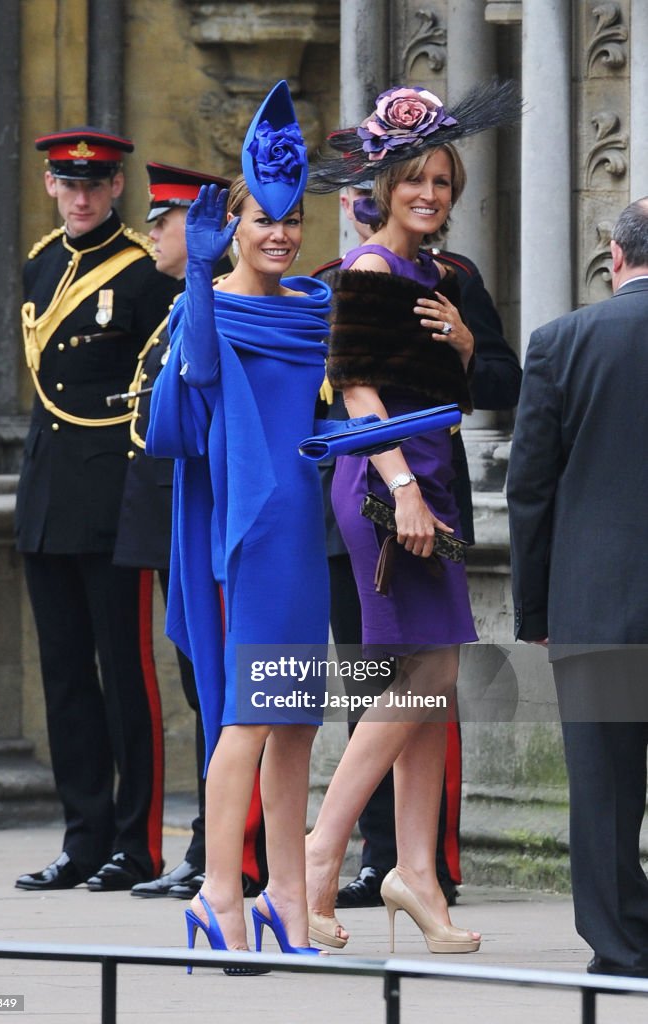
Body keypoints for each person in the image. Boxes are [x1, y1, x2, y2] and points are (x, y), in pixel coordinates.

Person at [304, 81, 520, 952]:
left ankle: (416, 877)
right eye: (412, 181)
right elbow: (356, 386)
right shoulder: (369, 267)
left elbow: (456, 389)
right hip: (384, 481)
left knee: (433, 679)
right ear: (382, 187)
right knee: (413, 679)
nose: (426, 194)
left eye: (440, 181)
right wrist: (400, 490)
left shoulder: (438, 276)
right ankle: (321, 854)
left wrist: (467, 349)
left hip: (426, 473)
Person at [146, 81, 331, 969]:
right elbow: (198, 398)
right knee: (248, 721)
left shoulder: (314, 309)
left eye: (292, 219)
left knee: (294, 718)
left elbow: (313, 414)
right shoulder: (207, 306)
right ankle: (219, 891)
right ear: (232, 222)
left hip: (304, 534)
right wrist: (198, 278)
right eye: (263, 219)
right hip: (249, 537)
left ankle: (286, 898)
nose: (281, 234)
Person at [15, 128, 176, 892]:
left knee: (125, 672)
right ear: (51, 185)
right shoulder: (41, 264)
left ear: (117, 189)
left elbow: (155, 390)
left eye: (96, 183)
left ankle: (134, 843)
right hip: (49, 496)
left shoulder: (146, 277)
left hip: (114, 499)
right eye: (67, 182)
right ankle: (81, 838)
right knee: (65, 676)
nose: (80, 196)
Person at [111, 161, 267, 901]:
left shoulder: (218, 306)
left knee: (239, 695)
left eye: (165, 220)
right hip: (181, 516)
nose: (153, 232)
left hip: (232, 519)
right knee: (202, 683)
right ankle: (213, 848)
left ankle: (234, 853)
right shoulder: (178, 310)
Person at [507, 197, 648, 978]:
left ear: (614, 258)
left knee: (602, 790)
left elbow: (528, 488)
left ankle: (621, 944)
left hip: (595, 602)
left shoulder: (560, 342)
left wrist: (535, 607)